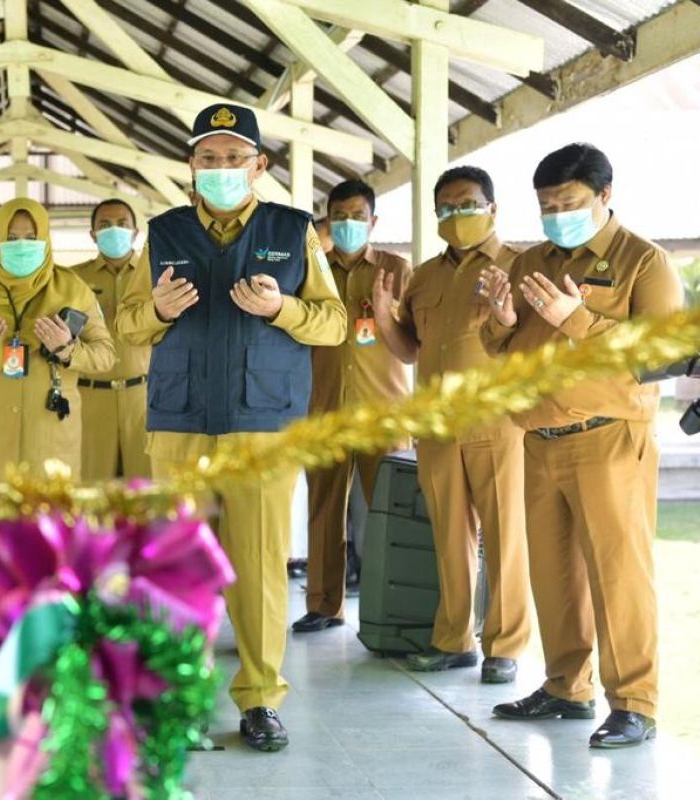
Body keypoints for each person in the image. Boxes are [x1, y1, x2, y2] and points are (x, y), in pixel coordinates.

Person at [117, 104, 346, 751]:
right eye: (208, 159)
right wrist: (156, 310)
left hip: (263, 423)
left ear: (259, 166)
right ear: (191, 167)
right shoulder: (164, 233)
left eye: (234, 158)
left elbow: (332, 323)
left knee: (260, 565)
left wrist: (283, 308)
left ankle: (260, 699)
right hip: (179, 422)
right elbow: (126, 323)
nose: (221, 170)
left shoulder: (292, 230)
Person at [481, 143, 682, 748]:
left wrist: (577, 317)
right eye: (546, 206)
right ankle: (567, 686)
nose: (556, 215)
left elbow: (659, 355)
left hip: (608, 439)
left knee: (618, 576)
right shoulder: (530, 261)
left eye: (568, 203)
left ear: (604, 196)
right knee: (553, 574)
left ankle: (635, 703)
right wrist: (501, 322)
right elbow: (500, 347)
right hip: (538, 439)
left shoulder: (645, 263)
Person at [371, 166, 532, 683]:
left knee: (506, 536)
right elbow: (410, 350)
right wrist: (382, 317)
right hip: (437, 427)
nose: (455, 216)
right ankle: (453, 640)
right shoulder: (426, 275)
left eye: (466, 205)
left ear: (492, 208)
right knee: (448, 535)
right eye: (445, 208)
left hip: (498, 424)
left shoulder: (519, 266)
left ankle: (504, 647)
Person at [0, 197, 116, 534]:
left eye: (31, 236)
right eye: (12, 237)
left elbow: (105, 355)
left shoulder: (73, 287)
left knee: (50, 525)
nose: (21, 245)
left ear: (46, 239)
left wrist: (67, 348)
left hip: (50, 428)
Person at [292, 179, 411, 635]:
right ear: (327, 221)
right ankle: (324, 604)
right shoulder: (309, 272)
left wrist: (386, 315)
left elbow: (414, 344)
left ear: (373, 221)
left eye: (357, 216)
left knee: (388, 512)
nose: (347, 225)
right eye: (339, 217)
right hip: (322, 411)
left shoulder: (397, 271)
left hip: (383, 414)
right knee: (324, 513)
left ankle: (395, 604)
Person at [71, 199, 151, 481]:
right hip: (90, 396)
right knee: (92, 488)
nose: (113, 230)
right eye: (104, 225)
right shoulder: (73, 280)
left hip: (143, 395)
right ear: (92, 234)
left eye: (121, 224)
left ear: (135, 231)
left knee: (146, 490)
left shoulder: (155, 275)